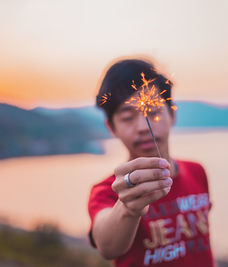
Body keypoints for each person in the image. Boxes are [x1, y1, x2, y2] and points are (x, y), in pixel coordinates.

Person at [88, 58, 215, 267]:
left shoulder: (197, 172)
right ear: (111, 127)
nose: (142, 127)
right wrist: (129, 208)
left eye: (153, 112)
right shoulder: (107, 191)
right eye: (128, 118)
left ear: (172, 114)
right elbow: (108, 247)